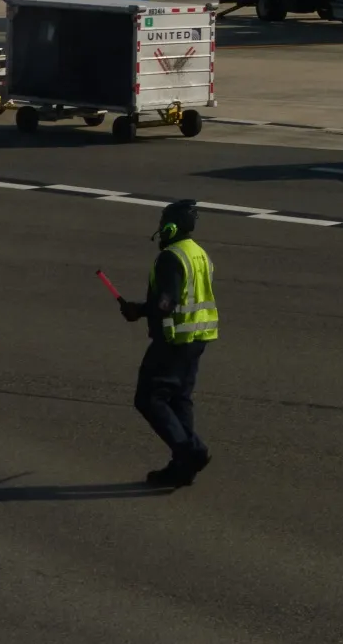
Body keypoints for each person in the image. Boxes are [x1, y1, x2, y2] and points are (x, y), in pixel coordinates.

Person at [115, 200, 219, 487]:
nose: (160, 229)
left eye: (163, 223)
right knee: (179, 399)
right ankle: (182, 467)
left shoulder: (171, 258)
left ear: (171, 226)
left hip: (173, 341)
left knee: (149, 399)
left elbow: (166, 303)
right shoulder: (198, 253)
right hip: (198, 339)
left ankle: (191, 451)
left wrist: (139, 310)